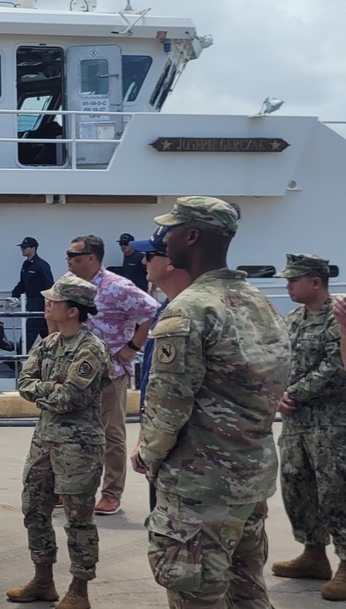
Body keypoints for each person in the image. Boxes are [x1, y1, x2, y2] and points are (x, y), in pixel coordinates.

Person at [134, 196, 290, 608]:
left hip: (199, 487)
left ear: (192, 235)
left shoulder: (186, 310)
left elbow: (168, 406)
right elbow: (274, 384)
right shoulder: (262, 304)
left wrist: (148, 457)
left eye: (171, 230)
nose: (165, 239)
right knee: (248, 593)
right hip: (249, 481)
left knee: (197, 597)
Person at [6, 276, 111, 609]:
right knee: (34, 509)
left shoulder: (90, 348)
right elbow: (24, 382)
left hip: (78, 447)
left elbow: (70, 398)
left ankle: (79, 590)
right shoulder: (48, 343)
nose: (48, 304)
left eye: (55, 300)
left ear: (73, 310)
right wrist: (50, 391)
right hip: (45, 441)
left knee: (78, 518)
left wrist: (46, 391)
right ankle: (43, 580)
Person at [62, 234, 158, 516]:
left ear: (91, 258)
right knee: (72, 432)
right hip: (74, 373)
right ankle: (73, 489)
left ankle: (111, 493)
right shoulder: (68, 284)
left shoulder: (118, 286)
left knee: (110, 433)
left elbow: (151, 311)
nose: (68, 259)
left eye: (73, 255)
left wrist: (132, 347)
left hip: (109, 372)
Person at [270, 253, 346, 601]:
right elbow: (281, 360)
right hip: (297, 422)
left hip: (332, 423)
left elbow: (337, 367)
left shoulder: (338, 318)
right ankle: (313, 554)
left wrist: (294, 393)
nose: (287, 286)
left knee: (335, 491)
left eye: (293, 280)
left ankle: (345, 562)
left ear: (315, 282)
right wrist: (278, 395)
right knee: (297, 485)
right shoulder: (293, 319)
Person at [125, 227, 192, 512]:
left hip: (187, 457)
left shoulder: (186, 314)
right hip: (168, 448)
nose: (143, 262)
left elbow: (174, 395)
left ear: (170, 262)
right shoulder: (167, 308)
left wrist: (152, 448)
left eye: (150, 255)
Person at [11, 236, 54, 351]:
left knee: (30, 330)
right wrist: (13, 296)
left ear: (33, 248)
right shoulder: (26, 265)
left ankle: (19, 356)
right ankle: (55, 352)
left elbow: (49, 285)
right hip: (31, 302)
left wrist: (49, 303)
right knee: (46, 332)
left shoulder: (41, 265)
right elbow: (22, 284)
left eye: (25, 247)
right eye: (22, 247)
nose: (22, 249)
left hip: (40, 302)